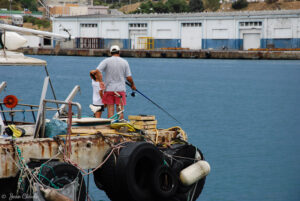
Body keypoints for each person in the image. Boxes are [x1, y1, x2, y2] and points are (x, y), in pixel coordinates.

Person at [94, 45, 136, 119]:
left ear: (110, 52)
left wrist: (101, 81)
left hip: (109, 89)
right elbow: (128, 77)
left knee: (110, 108)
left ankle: (111, 125)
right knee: (120, 109)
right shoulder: (124, 62)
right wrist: (132, 85)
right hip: (120, 89)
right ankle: (120, 126)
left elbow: (97, 71)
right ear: (119, 52)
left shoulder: (106, 61)